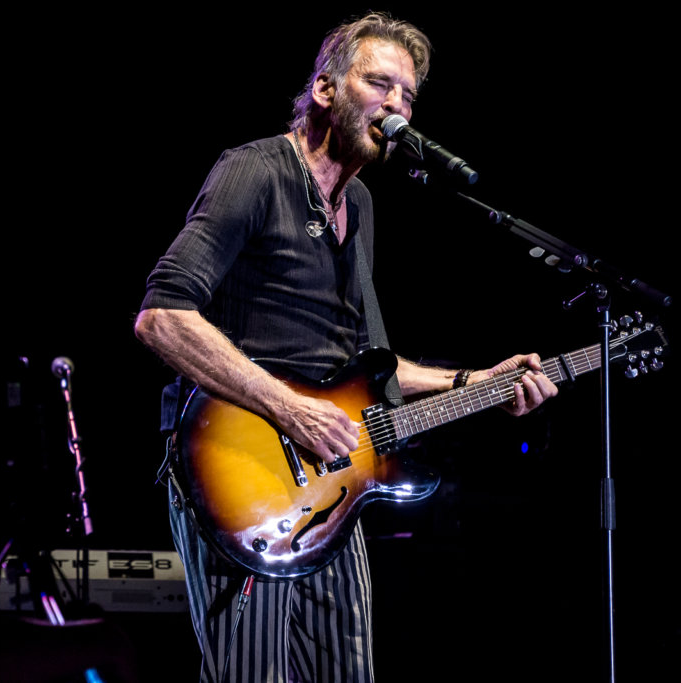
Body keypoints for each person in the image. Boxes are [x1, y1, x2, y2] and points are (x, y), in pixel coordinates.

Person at [133, 12, 558, 683]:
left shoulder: (357, 204)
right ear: (327, 90)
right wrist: (289, 408)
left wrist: (475, 381)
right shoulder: (255, 171)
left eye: (409, 96)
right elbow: (162, 317)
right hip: (238, 468)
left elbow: (366, 368)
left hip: (332, 481)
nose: (397, 105)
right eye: (379, 83)